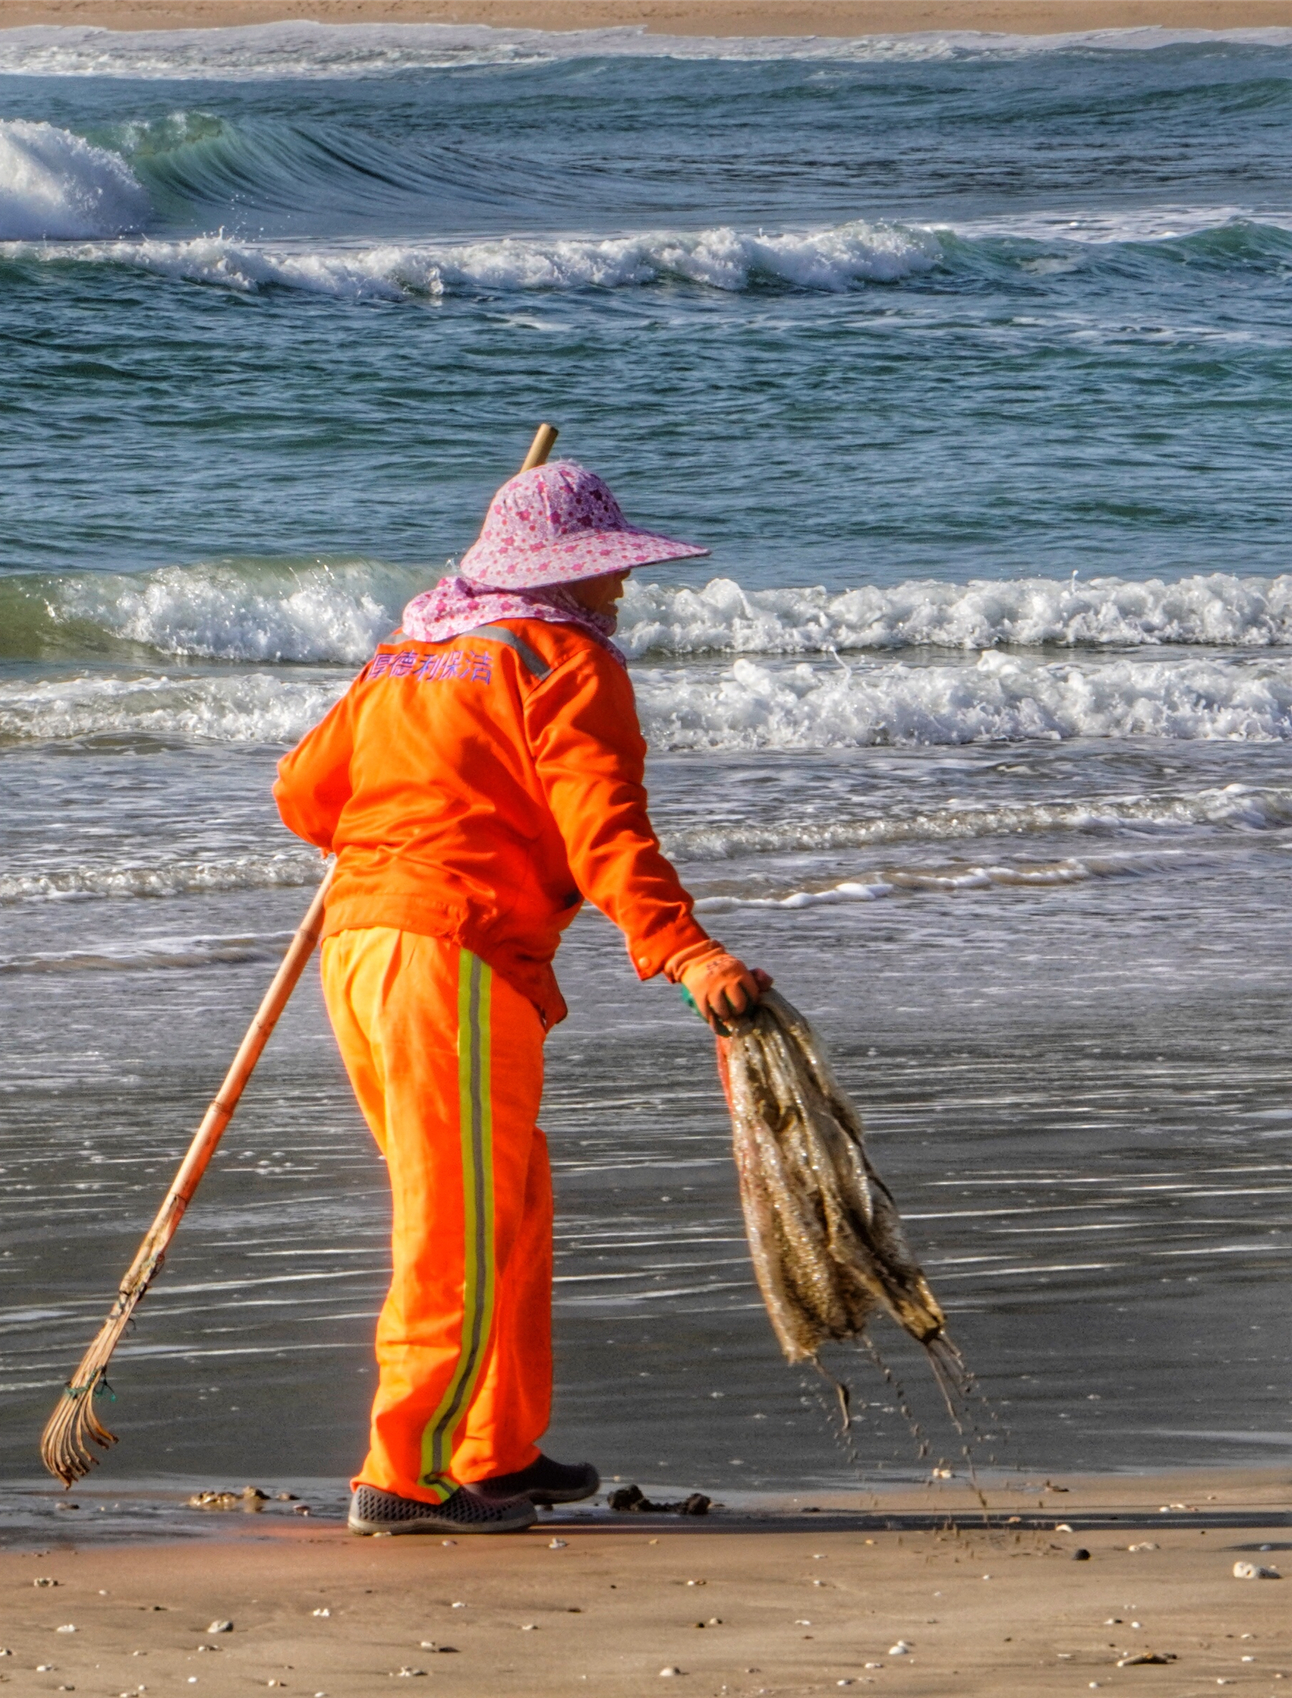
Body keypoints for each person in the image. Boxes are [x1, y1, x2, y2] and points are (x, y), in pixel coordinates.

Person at [274, 457, 769, 1537]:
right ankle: (406, 1475)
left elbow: (304, 795)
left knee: (510, 1201)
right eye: (607, 571)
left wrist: (412, 813)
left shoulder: (412, 653)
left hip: (365, 952)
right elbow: (608, 834)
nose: (623, 588)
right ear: (562, 580)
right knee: (454, 1224)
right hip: (450, 959)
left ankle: (495, 1451)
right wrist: (684, 953)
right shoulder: (562, 664)